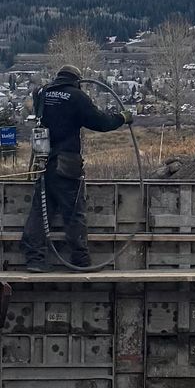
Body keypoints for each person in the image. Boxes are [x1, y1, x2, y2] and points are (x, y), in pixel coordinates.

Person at [19, 66, 127, 268]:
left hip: (43, 162)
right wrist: (122, 118)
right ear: (77, 80)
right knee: (73, 214)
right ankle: (80, 259)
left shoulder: (41, 94)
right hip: (66, 164)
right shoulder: (77, 97)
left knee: (40, 211)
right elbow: (101, 122)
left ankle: (35, 259)